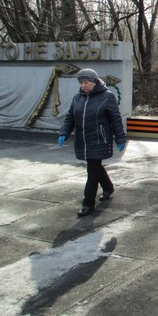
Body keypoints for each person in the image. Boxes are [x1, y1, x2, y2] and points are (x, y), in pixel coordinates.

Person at [59, 68, 127, 217]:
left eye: (86, 82)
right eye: (81, 83)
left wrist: (120, 138)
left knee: (92, 171)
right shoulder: (77, 98)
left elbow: (116, 119)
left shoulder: (107, 96)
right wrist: (64, 132)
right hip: (83, 140)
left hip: (99, 140)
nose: (83, 85)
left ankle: (88, 203)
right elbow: (70, 117)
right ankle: (108, 187)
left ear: (94, 82)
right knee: (94, 166)